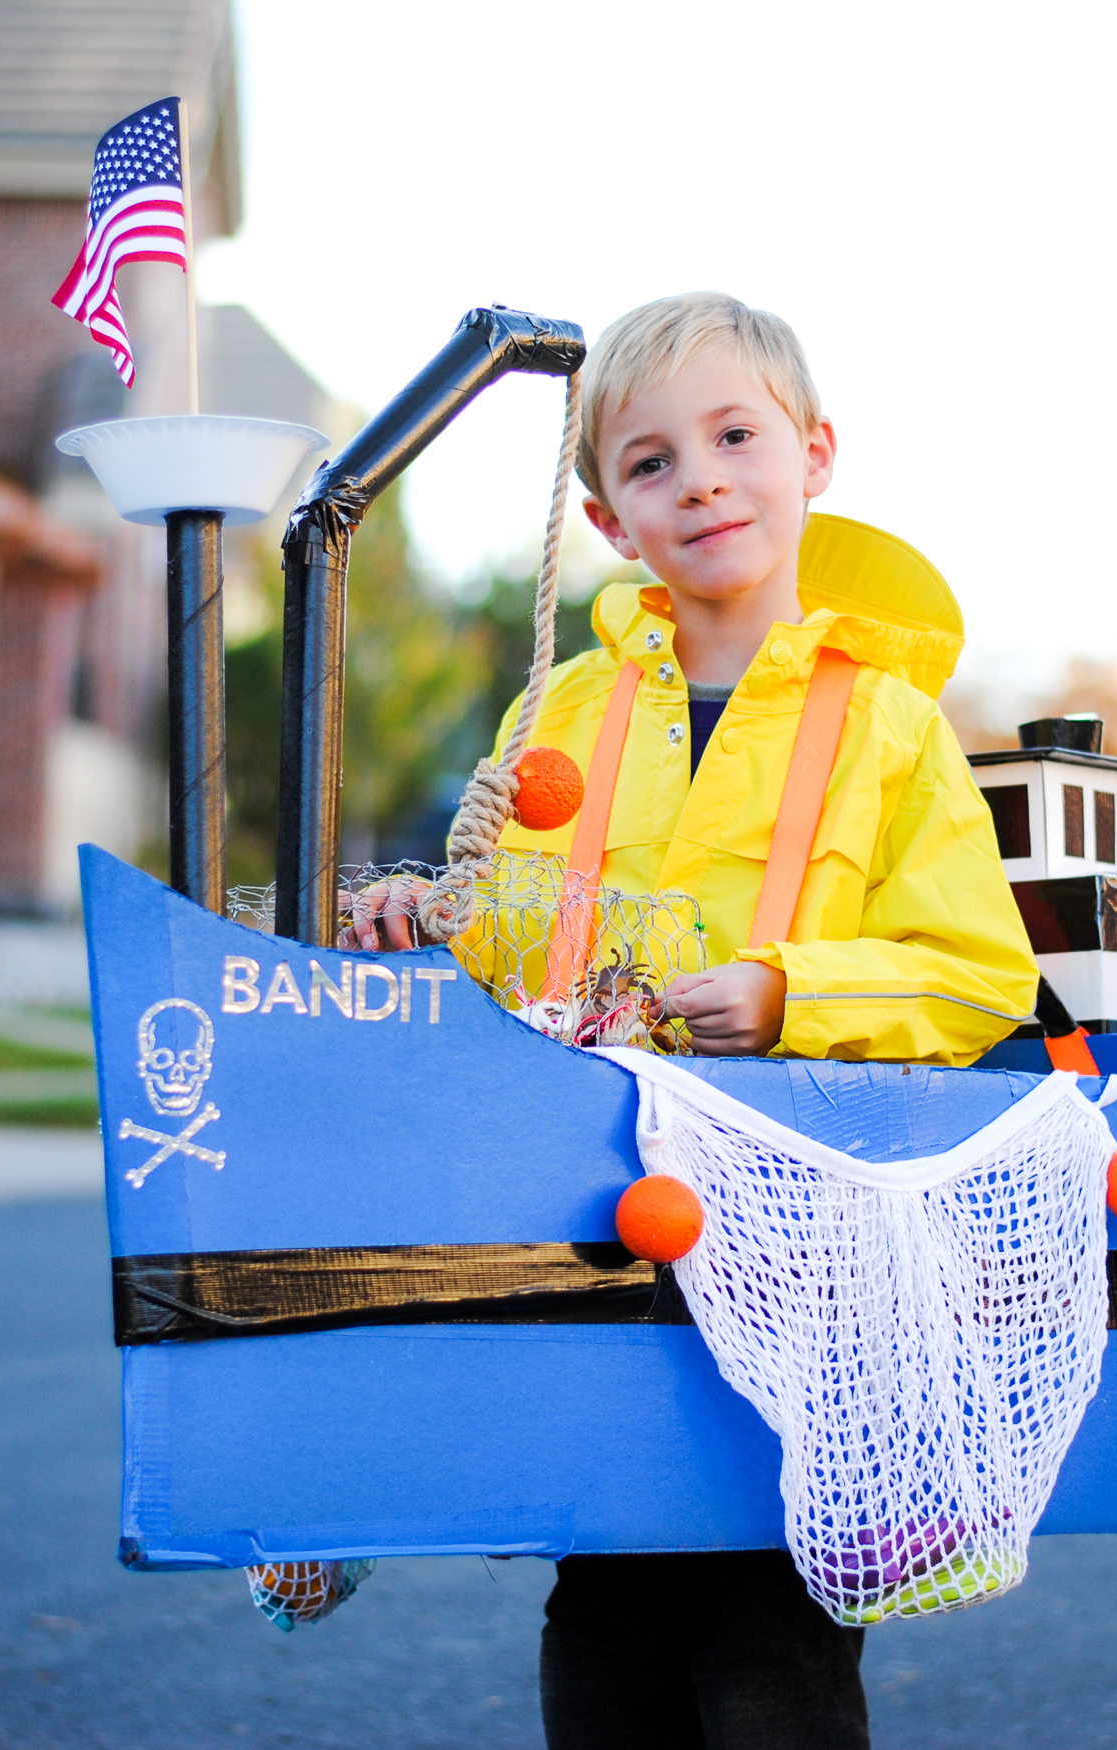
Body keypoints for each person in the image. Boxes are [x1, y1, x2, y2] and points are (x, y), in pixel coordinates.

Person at [355, 291, 1041, 1747]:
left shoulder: (891, 727)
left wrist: (795, 991)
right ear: (608, 520)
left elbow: (975, 971)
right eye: (654, 461)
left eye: (736, 436)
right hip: (597, 1207)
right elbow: (504, 926)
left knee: (765, 1612)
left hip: (796, 1242)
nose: (703, 479)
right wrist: (425, 914)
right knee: (601, 1601)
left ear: (814, 455)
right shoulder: (564, 707)